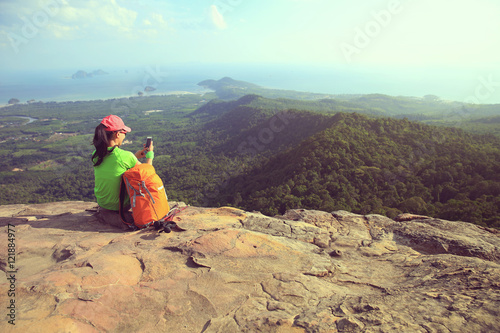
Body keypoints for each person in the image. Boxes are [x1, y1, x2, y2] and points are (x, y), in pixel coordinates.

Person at [92, 114, 154, 228]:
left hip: (103, 204)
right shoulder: (125, 156)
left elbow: (117, 164)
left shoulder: (96, 155)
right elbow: (148, 173)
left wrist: (135, 157)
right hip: (121, 206)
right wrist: (150, 155)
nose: (124, 136)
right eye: (124, 133)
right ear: (117, 134)